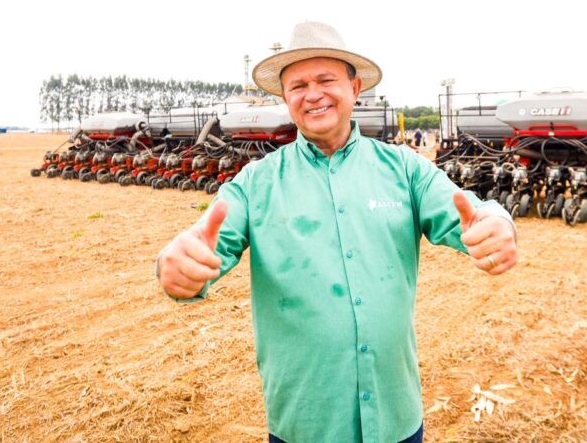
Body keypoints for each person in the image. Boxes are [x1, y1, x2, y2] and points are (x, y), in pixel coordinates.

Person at [156, 22, 518, 443]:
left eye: (326, 80)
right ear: (286, 99)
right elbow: (203, 244)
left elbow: (471, 214)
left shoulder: (405, 169)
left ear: (355, 88)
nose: (313, 94)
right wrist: (174, 265)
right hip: (305, 423)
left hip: (396, 417)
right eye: (298, 85)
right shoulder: (255, 184)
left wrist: (497, 224)